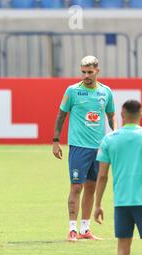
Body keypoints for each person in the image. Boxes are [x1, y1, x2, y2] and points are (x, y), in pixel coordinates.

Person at [52, 55, 117, 242]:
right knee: (76, 186)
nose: (86, 76)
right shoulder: (72, 91)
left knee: (91, 187)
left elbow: (111, 116)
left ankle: (85, 229)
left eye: (89, 72)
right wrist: (56, 140)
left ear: (97, 71)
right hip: (78, 147)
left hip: (99, 149)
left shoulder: (106, 92)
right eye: (83, 72)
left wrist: (116, 135)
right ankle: (72, 229)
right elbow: (61, 116)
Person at [93, 100, 142, 255]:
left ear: (122, 114)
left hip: (122, 203)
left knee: (122, 250)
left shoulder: (110, 140)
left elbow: (102, 176)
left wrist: (98, 204)